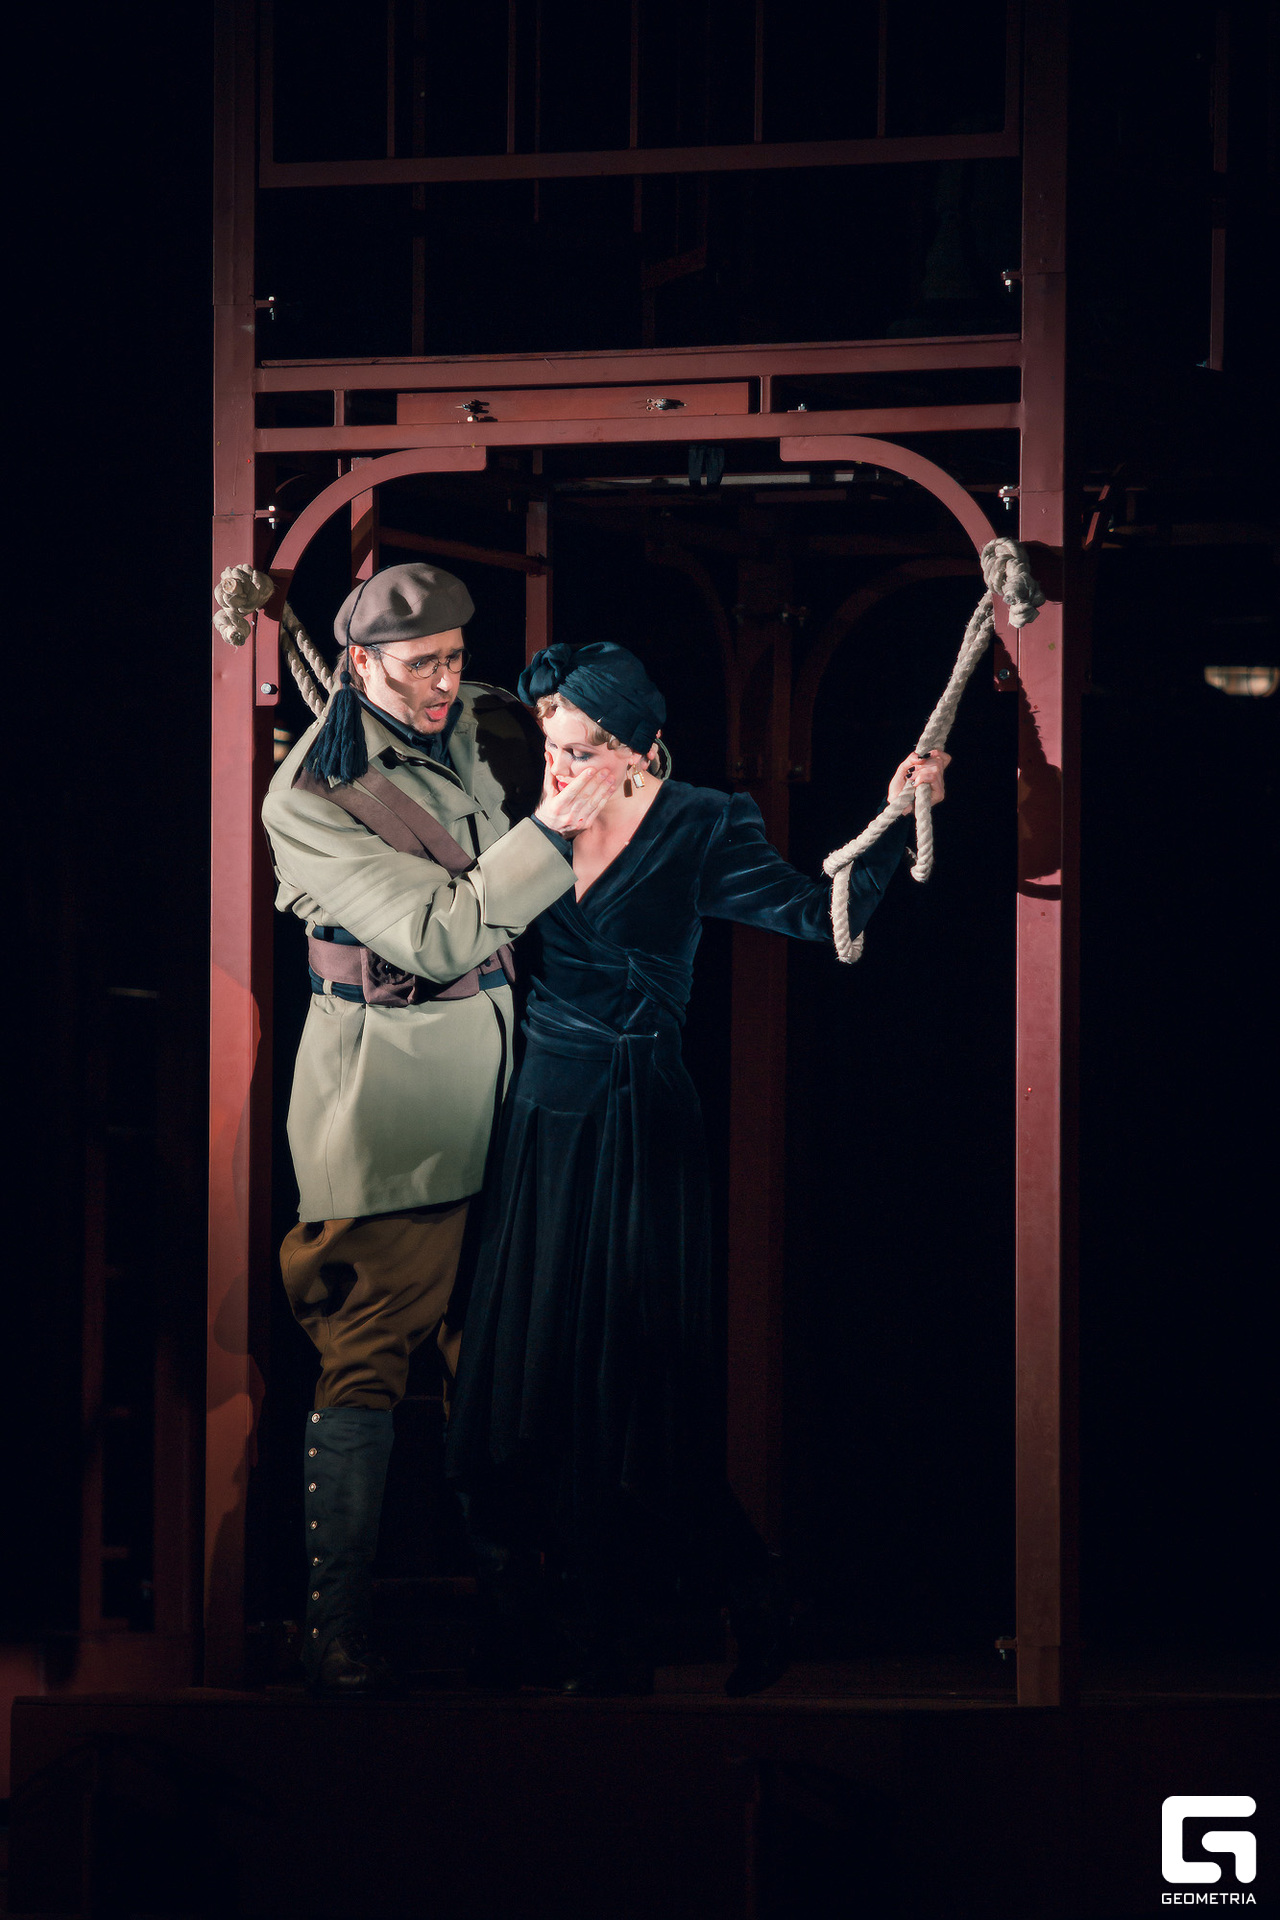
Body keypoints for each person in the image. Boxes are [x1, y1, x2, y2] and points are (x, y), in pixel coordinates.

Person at [445, 641, 949, 1696]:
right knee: (520, 1377)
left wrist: (898, 813)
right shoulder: (524, 818)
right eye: (552, 746)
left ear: (639, 749)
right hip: (543, 1115)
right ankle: (543, 1625)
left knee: (629, 1383)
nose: (562, 768)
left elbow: (814, 914)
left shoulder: (700, 822)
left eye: (584, 749)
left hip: (638, 1115)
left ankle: (725, 1594)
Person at [261, 564, 615, 1696]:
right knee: (366, 1353)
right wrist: (555, 827)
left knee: (501, 1363)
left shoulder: (484, 724)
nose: (443, 683)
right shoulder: (314, 796)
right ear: (360, 664)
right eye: (419, 665)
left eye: (455, 659)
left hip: (507, 1087)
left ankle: (519, 1623)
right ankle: (335, 1632)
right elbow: (440, 935)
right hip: (393, 1102)